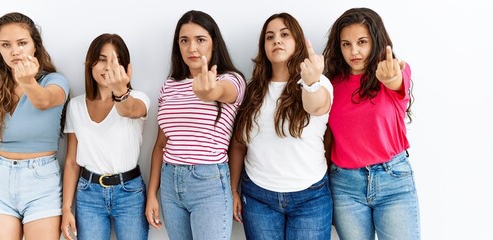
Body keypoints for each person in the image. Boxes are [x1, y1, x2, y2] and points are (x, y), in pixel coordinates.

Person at [0, 12, 69, 239]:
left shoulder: (55, 81)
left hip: (42, 183)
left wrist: (27, 81)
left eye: (22, 43)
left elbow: (43, 101)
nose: (15, 51)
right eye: (6, 45)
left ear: (34, 46)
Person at [228, 13, 333, 240]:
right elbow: (238, 144)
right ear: (263, 46)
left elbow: (316, 106)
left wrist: (311, 81)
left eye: (285, 35)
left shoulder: (318, 83)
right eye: (270, 37)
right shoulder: (253, 90)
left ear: (297, 41)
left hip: (310, 197)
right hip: (258, 197)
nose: (277, 41)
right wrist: (233, 189)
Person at [145, 10, 246, 240]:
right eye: (184, 40)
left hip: (208, 182)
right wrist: (153, 193)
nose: (192, 48)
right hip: (170, 181)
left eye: (200, 40)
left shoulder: (230, 80)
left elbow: (223, 92)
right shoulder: (169, 86)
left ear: (214, 43)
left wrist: (208, 91)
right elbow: (161, 144)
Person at [322, 7, 419, 240]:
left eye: (362, 42)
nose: (354, 51)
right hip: (345, 185)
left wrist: (391, 78)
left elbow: (397, 81)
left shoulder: (394, 71)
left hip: (393, 180)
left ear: (376, 42)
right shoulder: (331, 85)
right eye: (346, 44)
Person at [59, 33, 150, 240]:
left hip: (129, 192)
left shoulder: (138, 99)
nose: (108, 67)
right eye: (101, 59)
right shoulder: (76, 106)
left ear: (126, 68)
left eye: (116, 60)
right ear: (90, 64)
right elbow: (72, 162)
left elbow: (130, 110)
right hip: (88, 192)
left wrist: (120, 91)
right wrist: (66, 208)